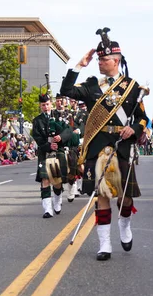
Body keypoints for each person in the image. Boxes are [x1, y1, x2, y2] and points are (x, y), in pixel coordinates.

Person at [60, 34, 147, 261]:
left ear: (116, 60)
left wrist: (135, 130)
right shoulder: (91, 85)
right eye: (98, 60)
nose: (99, 63)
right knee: (102, 195)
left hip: (122, 146)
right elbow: (66, 91)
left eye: (103, 59)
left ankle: (125, 225)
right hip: (98, 146)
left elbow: (142, 118)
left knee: (126, 197)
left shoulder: (131, 87)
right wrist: (79, 66)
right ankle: (105, 244)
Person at [31, 94, 72, 218]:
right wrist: (48, 146)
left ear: (51, 104)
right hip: (45, 152)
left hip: (58, 151)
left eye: (47, 104)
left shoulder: (59, 117)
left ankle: (57, 199)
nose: (45, 107)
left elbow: (69, 131)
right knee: (45, 179)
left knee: (57, 181)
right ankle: (47, 209)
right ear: (40, 106)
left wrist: (61, 137)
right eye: (43, 105)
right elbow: (37, 137)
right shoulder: (37, 120)